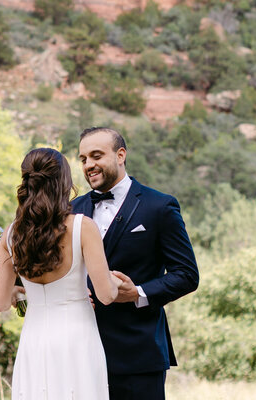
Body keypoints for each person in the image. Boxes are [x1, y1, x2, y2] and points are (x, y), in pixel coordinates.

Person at [72, 126, 198, 400]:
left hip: (138, 354)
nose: (88, 165)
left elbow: (187, 274)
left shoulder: (159, 206)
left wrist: (138, 293)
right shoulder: (72, 209)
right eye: (83, 159)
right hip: (80, 352)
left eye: (96, 156)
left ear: (120, 155)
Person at [0, 147, 119, 400]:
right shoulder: (83, 227)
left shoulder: (10, 234)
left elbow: (0, 303)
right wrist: (114, 281)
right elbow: (106, 295)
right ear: (64, 181)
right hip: (77, 338)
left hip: (34, 340)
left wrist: (23, 292)